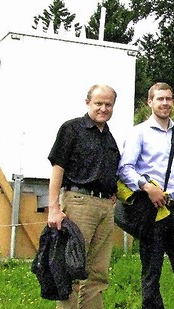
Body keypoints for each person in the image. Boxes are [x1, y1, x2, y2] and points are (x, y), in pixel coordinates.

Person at [118, 82, 174, 309]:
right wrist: (147, 187)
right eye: (160, 99)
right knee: (151, 272)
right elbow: (125, 169)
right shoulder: (139, 133)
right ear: (150, 102)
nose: (165, 103)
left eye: (168, 98)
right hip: (150, 209)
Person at [47, 84, 120, 308]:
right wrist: (54, 208)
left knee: (98, 273)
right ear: (88, 102)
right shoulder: (71, 129)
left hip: (106, 206)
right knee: (73, 267)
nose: (103, 108)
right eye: (99, 103)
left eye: (108, 104)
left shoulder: (109, 137)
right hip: (79, 203)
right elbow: (57, 169)